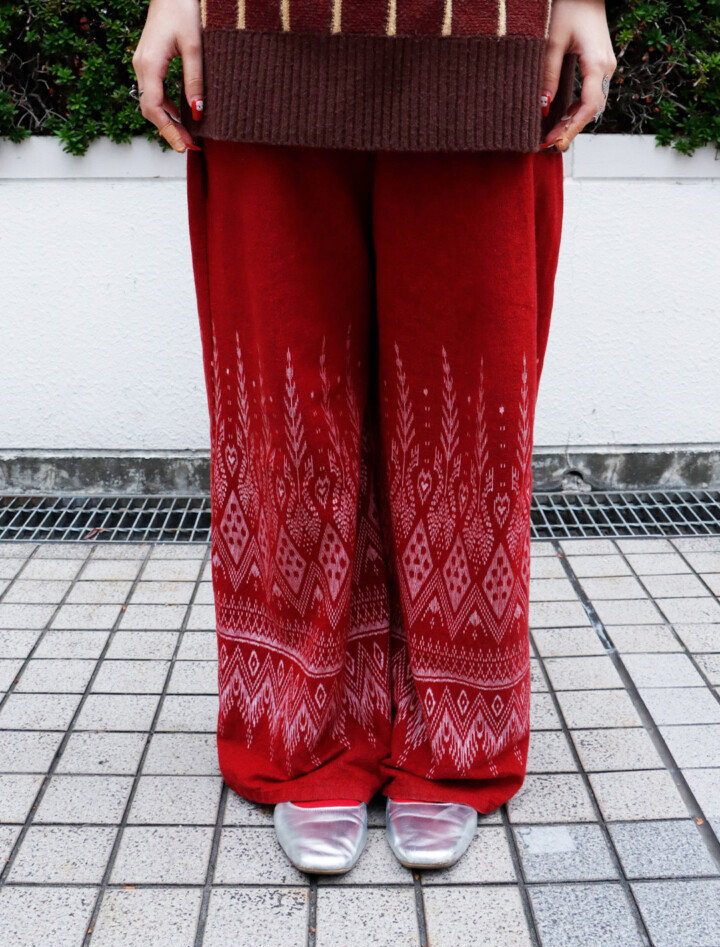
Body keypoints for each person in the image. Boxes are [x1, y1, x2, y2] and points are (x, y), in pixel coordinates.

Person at [133, 0, 616, 875]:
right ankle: (304, 727)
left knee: (467, 415)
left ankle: (455, 731)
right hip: (268, 31)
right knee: (286, 414)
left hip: (483, 37)